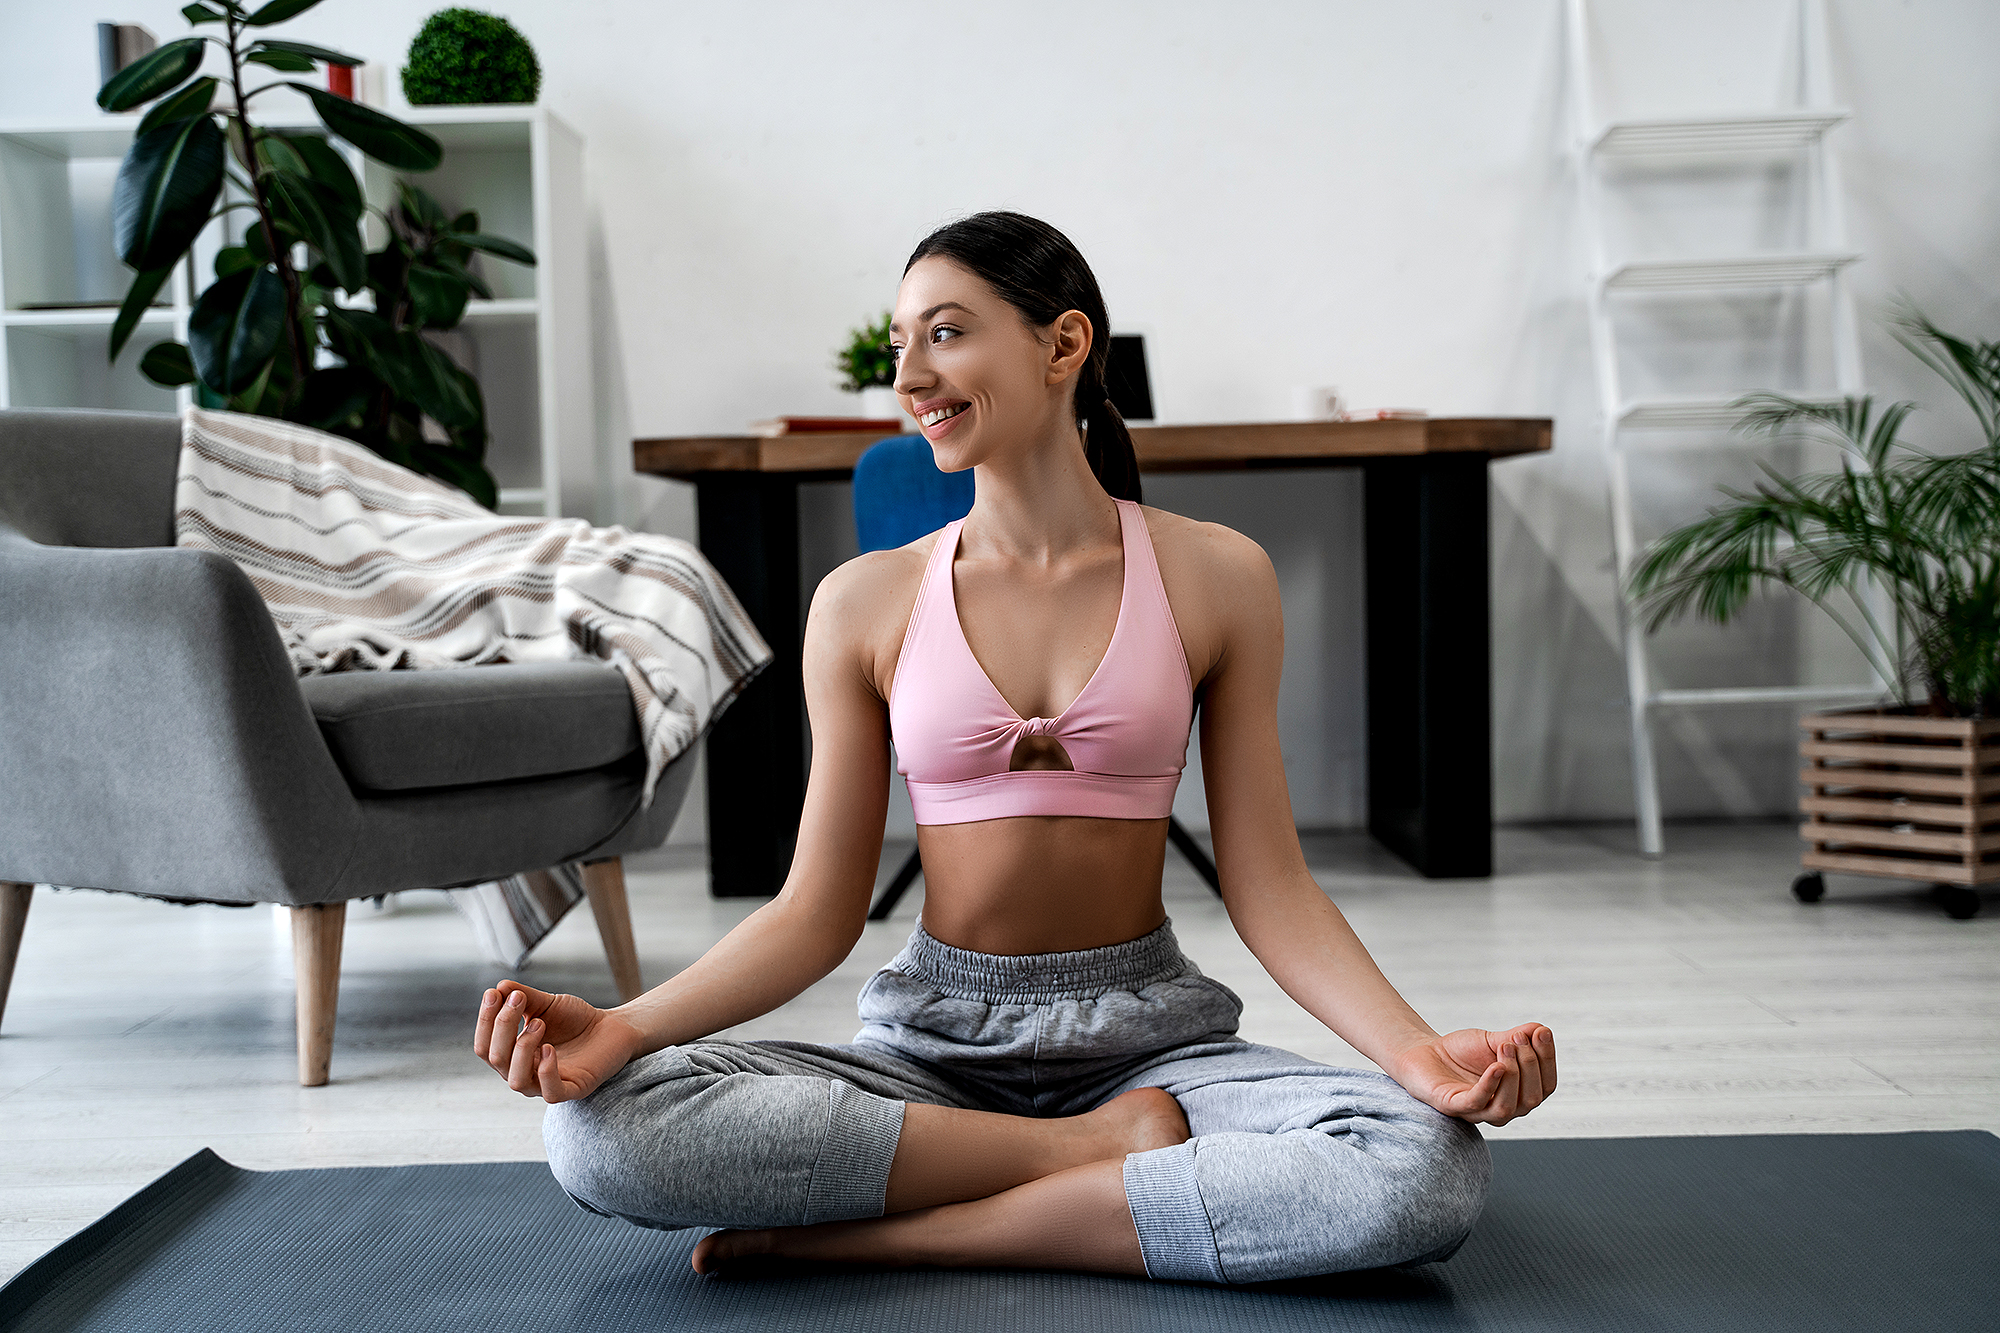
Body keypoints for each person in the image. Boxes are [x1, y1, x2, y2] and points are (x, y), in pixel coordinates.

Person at [472, 211, 1556, 1285]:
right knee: (598, 1130)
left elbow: (1270, 889)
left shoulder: (1217, 576)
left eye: (944, 333)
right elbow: (813, 913)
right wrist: (624, 1028)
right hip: (929, 1052)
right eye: (901, 343)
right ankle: (1081, 1159)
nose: (911, 375)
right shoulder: (864, 602)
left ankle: (910, 1234)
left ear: (1062, 344)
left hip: (1152, 1043)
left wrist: (1414, 1054)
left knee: (1422, 1166)